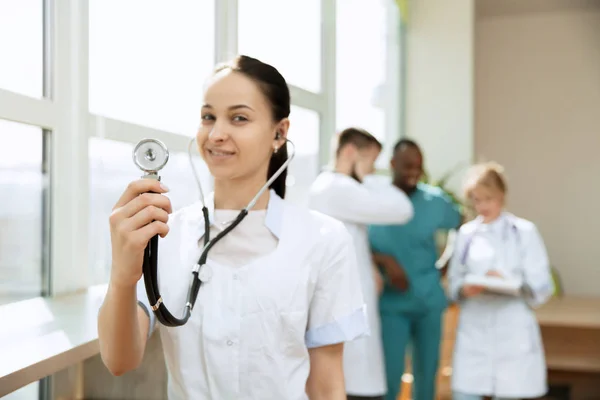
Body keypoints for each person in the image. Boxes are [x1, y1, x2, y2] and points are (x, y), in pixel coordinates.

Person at [97, 55, 368, 400]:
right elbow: (119, 360)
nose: (217, 134)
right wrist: (122, 274)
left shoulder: (324, 239)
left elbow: (327, 386)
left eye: (239, 118)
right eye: (208, 117)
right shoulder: (164, 234)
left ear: (279, 133)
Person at [308, 127, 414, 400]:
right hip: (342, 301)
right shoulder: (337, 187)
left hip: (348, 297)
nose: (372, 170)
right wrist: (369, 179)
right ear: (350, 152)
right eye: (370, 161)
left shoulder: (333, 186)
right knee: (354, 378)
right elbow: (402, 209)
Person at [447, 162, 553, 400]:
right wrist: (465, 288)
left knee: (510, 391)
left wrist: (507, 281)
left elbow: (541, 284)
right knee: (466, 393)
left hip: (512, 327)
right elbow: (454, 281)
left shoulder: (524, 231)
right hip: (475, 326)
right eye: (476, 200)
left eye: (488, 199)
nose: (482, 206)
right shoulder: (466, 234)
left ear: (501, 196)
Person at [367, 139, 462, 400]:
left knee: (427, 377)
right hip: (391, 305)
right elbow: (355, 242)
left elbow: (461, 227)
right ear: (392, 164)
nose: (413, 172)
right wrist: (384, 261)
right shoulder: (375, 200)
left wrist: (446, 264)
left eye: (418, 167)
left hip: (428, 302)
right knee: (389, 378)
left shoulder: (435, 201)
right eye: (407, 166)